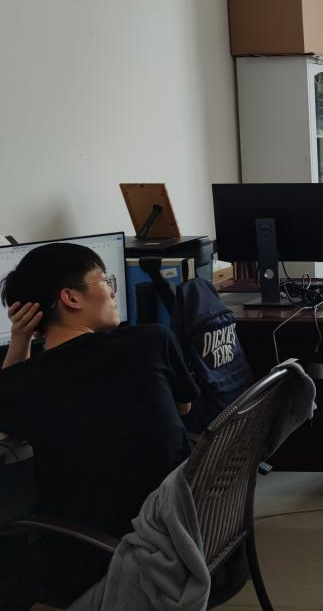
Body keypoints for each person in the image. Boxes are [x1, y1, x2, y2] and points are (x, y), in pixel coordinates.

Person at [0, 242, 199, 606]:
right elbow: (183, 407)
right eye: (105, 281)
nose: (112, 291)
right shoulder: (152, 339)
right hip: (184, 527)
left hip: (92, 553)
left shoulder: (26, 384)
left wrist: (20, 339)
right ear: (70, 298)